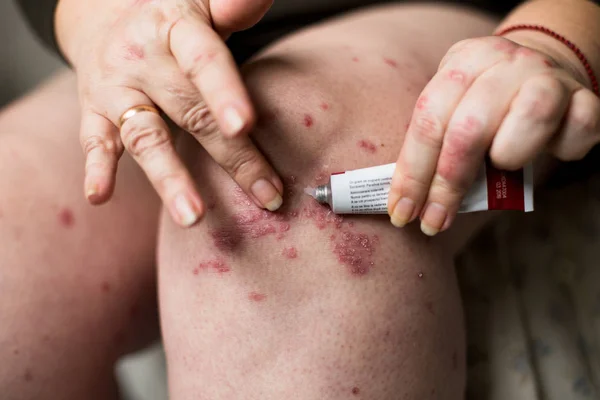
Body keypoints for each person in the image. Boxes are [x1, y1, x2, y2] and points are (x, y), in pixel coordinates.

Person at [2, 0, 598, 399]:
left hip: (479, 25)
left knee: (276, 187)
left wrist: (554, 43)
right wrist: (95, 20)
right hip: (159, 32)